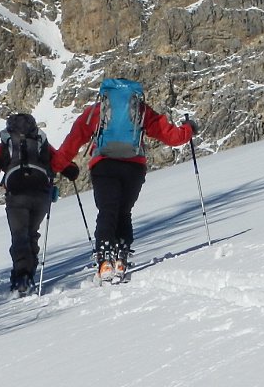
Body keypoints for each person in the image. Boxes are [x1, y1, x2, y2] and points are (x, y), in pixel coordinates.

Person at [50, 78, 195, 281]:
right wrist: (189, 129)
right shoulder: (141, 110)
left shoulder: (96, 111)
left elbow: (73, 141)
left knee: (107, 210)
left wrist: (55, 167)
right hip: (133, 167)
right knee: (123, 211)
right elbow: (170, 136)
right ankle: (121, 255)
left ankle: (104, 258)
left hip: (104, 165)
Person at [0, 113, 76, 293]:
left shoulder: (3, 147)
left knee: (20, 236)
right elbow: (63, 164)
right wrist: (72, 170)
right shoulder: (41, 143)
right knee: (31, 234)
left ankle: (21, 277)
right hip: (41, 195)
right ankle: (27, 275)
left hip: (17, 195)